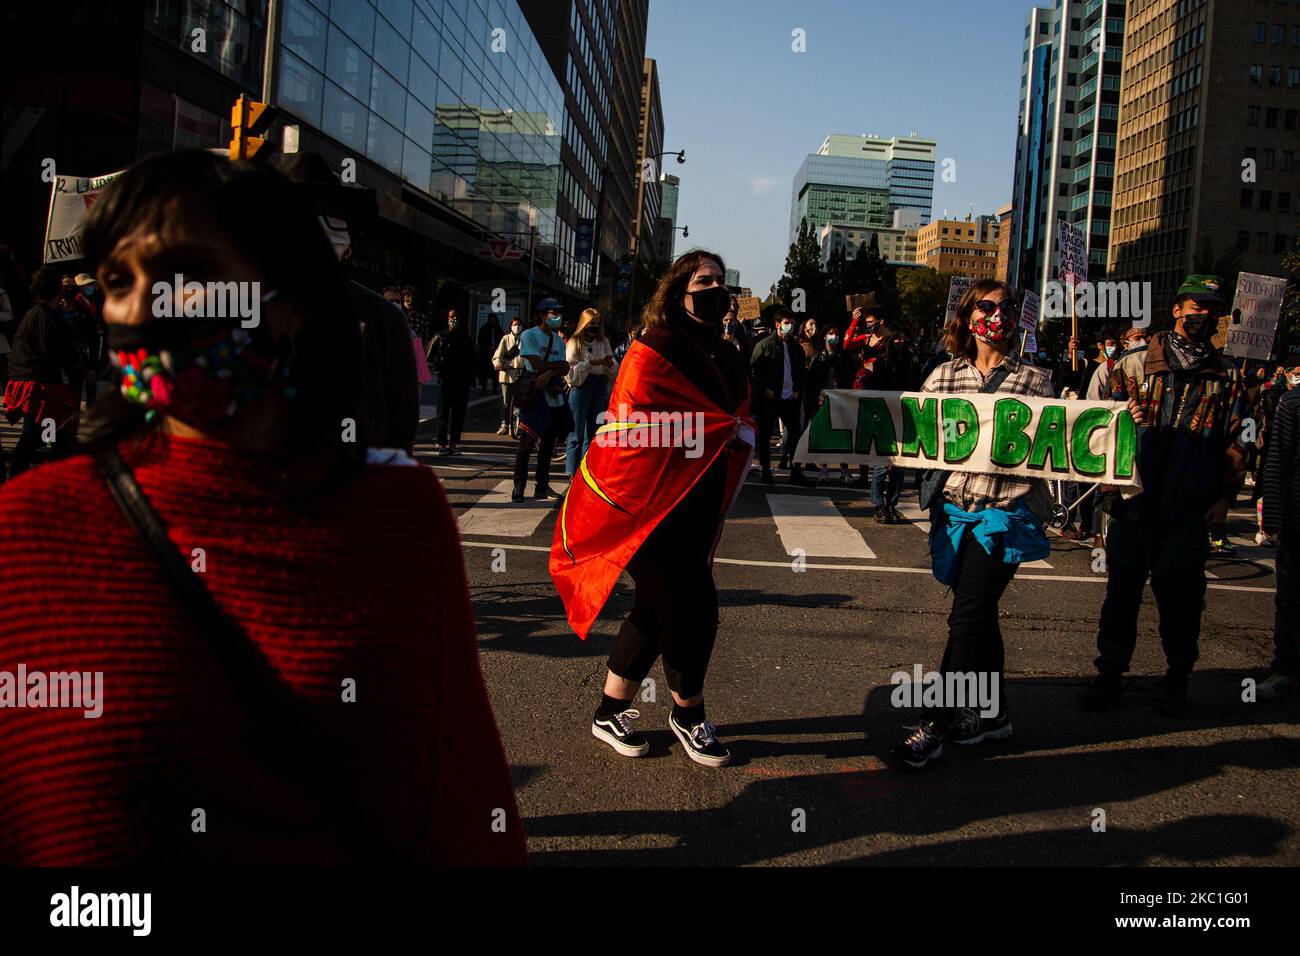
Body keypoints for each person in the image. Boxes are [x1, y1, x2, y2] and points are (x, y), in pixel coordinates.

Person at [0, 151, 524, 864]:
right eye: (118, 278)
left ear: (286, 304)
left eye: (190, 273)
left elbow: (460, 804)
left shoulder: (399, 514)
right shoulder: (28, 523)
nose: (145, 304)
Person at [549, 249, 754, 767]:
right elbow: (629, 425)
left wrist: (731, 433)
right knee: (692, 611)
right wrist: (698, 431)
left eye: (720, 281)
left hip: (700, 500)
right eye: (704, 280)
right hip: (650, 504)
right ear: (679, 289)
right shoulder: (654, 347)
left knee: (654, 610)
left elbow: (739, 411)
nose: (715, 289)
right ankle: (689, 715)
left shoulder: (729, 353)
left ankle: (608, 711)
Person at [891, 281, 1054, 770]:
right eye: (987, 306)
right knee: (979, 616)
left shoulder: (1033, 381)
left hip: (1004, 516)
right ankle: (994, 713)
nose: (998, 315)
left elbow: (1055, 438)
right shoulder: (942, 377)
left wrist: (1118, 423)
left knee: (966, 615)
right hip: (955, 512)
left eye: (1006, 308)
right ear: (967, 317)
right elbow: (915, 432)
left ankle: (935, 723)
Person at [1080, 275, 1248, 718]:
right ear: (1176, 309)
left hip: (1189, 511)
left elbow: (1235, 442)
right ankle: (1110, 676)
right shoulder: (1133, 365)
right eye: (1198, 307)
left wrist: (1225, 499)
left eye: (1213, 309)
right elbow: (1099, 431)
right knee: (1121, 597)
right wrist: (1121, 425)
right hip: (1135, 505)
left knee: (1182, 602)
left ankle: (1178, 680)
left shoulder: (1227, 374)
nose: (1205, 316)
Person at [274, 152, 418, 453]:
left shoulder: (383, 319)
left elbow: (400, 426)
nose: (327, 225)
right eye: (308, 211)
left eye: (336, 214)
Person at [3, 267, 80, 480]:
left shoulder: (33, 315)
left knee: (45, 433)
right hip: (42, 386)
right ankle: (24, 473)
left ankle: (39, 472)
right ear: (58, 292)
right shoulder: (46, 317)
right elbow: (53, 352)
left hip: (33, 382)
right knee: (39, 434)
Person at [1258, 385, 1300, 698]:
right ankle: (1284, 669)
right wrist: (1271, 516)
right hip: (1296, 518)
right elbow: (1277, 459)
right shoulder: (1293, 402)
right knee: (1289, 599)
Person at [512, 298, 571, 502]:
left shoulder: (557, 339)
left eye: (559, 313)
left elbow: (566, 367)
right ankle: (519, 485)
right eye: (553, 313)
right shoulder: (529, 335)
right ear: (542, 315)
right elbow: (536, 365)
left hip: (553, 393)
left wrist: (551, 373)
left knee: (548, 443)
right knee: (527, 442)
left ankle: (542, 486)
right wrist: (552, 370)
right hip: (534, 392)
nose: (557, 317)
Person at [751, 307, 810, 487]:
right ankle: (766, 470)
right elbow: (754, 370)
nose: (790, 327)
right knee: (765, 435)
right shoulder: (765, 345)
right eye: (786, 323)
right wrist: (765, 390)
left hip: (790, 397)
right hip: (770, 398)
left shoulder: (796, 348)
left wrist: (798, 390)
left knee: (795, 434)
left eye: (792, 323)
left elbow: (801, 372)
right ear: (777, 325)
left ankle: (796, 470)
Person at [867, 324, 921, 523]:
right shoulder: (882, 363)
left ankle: (892, 504)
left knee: (899, 465)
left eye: (903, 339)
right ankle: (878, 503)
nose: (900, 343)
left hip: (905, 418)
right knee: (881, 465)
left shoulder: (913, 362)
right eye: (896, 340)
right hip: (884, 418)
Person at [565, 308, 618, 477]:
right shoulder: (575, 342)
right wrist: (590, 364)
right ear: (584, 324)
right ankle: (572, 473)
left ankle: (587, 472)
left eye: (597, 324)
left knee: (595, 433)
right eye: (591, 323)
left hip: (599, 385)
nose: (594, 327)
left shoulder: (603, 342)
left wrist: (609, 364)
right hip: (581, 387)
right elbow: (570, 373)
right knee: (576, 434)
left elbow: (613, 368)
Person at [804, 322, 857, 484]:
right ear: (825, 336)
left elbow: (850, 376)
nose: (833, 336)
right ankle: (824, 469)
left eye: (836, 333)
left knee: (842, 435)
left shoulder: (844, 355)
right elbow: (812, 379)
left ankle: (845, 469)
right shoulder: (817, 355)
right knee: (824, 435)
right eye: (830, 333)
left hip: (841, 399)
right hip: (822, 400)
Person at [427, 308, 476, 455]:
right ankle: (441, 443)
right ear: (447, 318)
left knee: (458, 415)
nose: (454, 319)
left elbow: (472, 358)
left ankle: (454, 444)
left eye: (457, 316)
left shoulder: (465, 338)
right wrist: (438, 371)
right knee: (443, 413)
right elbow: (429, 357)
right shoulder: (440, 336)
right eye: (451, 317)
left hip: (462, 381)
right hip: (446, 380)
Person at [492, 315, 526, 436]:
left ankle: (519, 425)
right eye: (515, 325)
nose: (517, 327)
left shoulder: (526, 339)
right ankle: (504, 424)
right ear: (510, 326)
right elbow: (498, 355)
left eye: (519, 324)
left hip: (521, 374)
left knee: (521, 401)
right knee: (506, 401)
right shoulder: (505, 339)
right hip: (507, 373)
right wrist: (498, 364)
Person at [477, 313, 504, 394]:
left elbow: (502, 340)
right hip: (485, 353)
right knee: (484, 371)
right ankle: (484, 388)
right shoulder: (484, 328)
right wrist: (486, 347)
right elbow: (480, 339)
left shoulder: (498, 329)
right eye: (491, 319)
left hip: (496, 353)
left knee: (495, 372)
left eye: (494, 319)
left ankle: (494, 389)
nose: (492, 321)